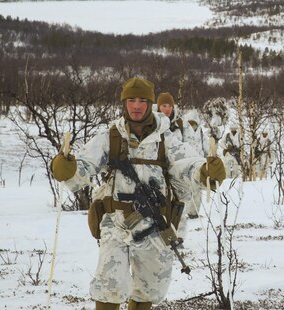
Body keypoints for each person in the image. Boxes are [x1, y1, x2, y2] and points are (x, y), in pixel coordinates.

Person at [50, 77, 226, 310]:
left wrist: (206, 171)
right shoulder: (111, 137)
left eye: (142, 100)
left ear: (150, 103)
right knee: (108, 284)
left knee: (149, 288)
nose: (136, 105)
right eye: (131, 100)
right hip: (117, 223)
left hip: (155, 224)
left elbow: (187, 164)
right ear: (124, 103)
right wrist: (68, 167)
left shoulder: (166, 138)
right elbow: (84, 164)